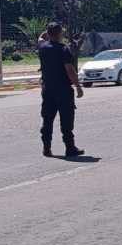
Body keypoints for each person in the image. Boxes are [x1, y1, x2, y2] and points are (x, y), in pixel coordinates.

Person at [37, 22, 84, 158]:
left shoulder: (42, 47)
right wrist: (78, 87)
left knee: (47, 120)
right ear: (59, 34)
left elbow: (40, 38)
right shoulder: (64, 49)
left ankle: (47, 148)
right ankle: (70, 148)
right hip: (63, 90)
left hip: (47, 89)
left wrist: (46, 33)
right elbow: (70, 70)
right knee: (66, 121)